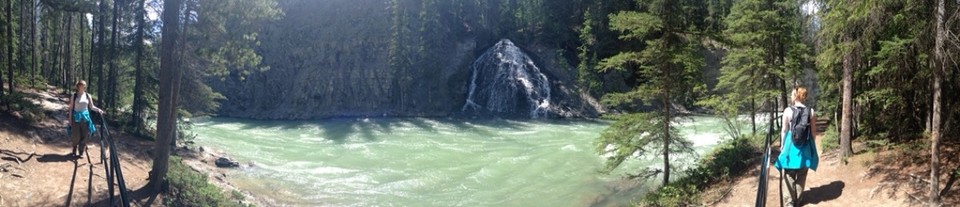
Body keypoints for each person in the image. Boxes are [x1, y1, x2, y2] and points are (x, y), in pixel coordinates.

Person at [774, 86, 818, 206]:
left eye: (792, 94)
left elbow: (784, 130)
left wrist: (782, 146)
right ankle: (798, 199)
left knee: (788, 174)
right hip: (805, 146)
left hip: (790, 146)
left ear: (796, 96)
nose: (790, 96)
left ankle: (789, 202)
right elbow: (813, 132)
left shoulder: (788, 111)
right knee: (802, 173)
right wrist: (811, 145)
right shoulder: (811, 111)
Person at [67, 80, 105, 158]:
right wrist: (70, 119)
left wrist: (99, 110)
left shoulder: (88, 96)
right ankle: (74, 149)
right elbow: (71, 108)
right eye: (81, 85)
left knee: (84, 136)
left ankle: (81, 151)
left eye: (84, 85)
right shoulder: (74, 96)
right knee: (75, 136)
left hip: (85, 118)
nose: (83, 86)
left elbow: (91, 106)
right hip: (76, 118)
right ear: (78, 86)